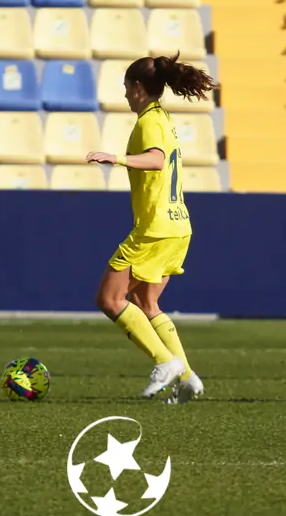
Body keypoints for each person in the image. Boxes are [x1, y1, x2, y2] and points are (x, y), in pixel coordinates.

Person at [85, 52, 214, 403]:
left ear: (139, 87)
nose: (125, 95)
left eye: (127, 87)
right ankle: (187, 378)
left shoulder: (148, 123)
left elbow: (156, 160)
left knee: (110, 299)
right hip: (178, 226)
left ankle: (165, 362)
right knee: (146, 301)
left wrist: (116, 158)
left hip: (155, 227)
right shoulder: (162, 117)